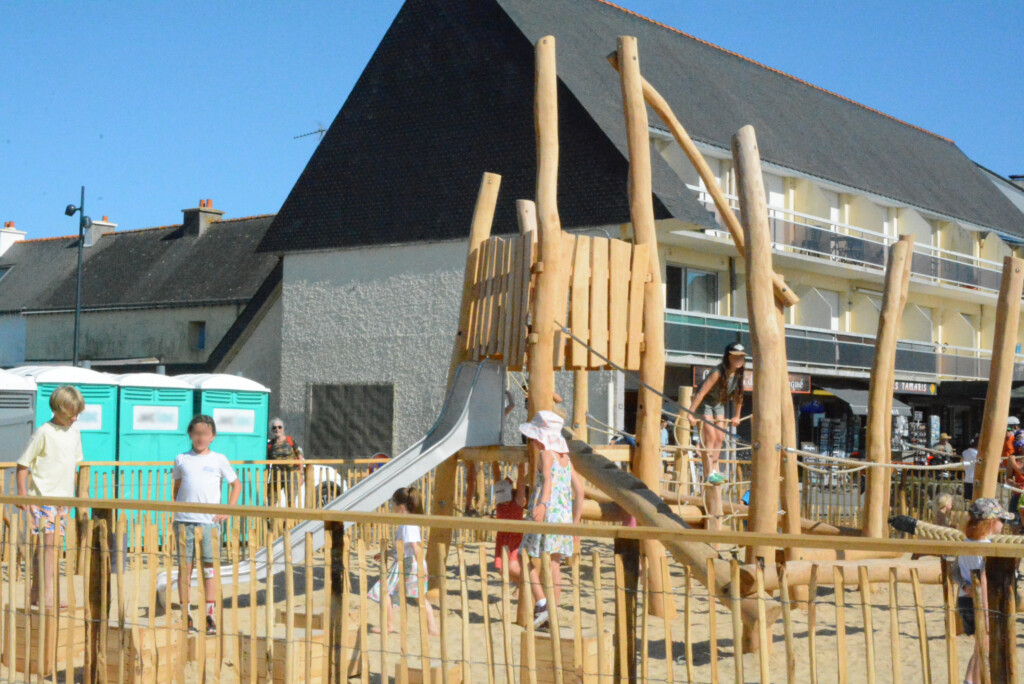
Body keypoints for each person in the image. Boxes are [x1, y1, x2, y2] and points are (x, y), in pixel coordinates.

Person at [16, 385, 85, 613]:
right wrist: (23, 494)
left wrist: (77, 495)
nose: (75, 418)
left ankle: (37, 594)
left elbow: (74, 464)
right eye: (71, 413)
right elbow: (23, 464)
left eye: (77, 413)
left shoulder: (74, 432)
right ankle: (48, 596)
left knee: (48, 548)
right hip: (43, 497)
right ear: (58, 409)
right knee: (49, 547)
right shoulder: (44, 431)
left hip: (63, 500)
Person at [173, 415, 242, 634]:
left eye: (205, 434)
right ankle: (186, 614)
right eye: (196, 433)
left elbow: (236, 485)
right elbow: (177, 486)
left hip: (209, 523)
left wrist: (227, 509)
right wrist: (176, 509)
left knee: (209, 569)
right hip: (184, 521)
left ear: (213, 436)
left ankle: (210, 615)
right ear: (190, 435)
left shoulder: (219, 459)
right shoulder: (181, 458)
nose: (200, 438)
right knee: (185, 568)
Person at [519, 410, 585, 629]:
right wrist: (575, 523)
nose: (533, 441)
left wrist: (542, 504)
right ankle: (553, 613)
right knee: (555, 565)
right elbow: (580, 491)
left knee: (523, 556)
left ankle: (542, 603)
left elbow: (547, 480)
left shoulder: (546, 454)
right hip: (564, 518)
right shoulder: (566, 459)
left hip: (545, 515)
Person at [955, 498, 1013, 684]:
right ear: (990, 522)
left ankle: (970, 680)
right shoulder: (986, 548)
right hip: (981, 602)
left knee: (980, 646)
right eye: (1001, 520)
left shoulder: (965, 543)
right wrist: (986, 612)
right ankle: (971, 681)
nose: (1003, 524)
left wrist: (964, 586)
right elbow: (984, 579)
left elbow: (954, 570)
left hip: (965, 599)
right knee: (984, 647)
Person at [368, 487, 439, 636]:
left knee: (383, 590)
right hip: (410, 562)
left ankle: (388, 625)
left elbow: (415, 547)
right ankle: (432, 628)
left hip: (407, 563)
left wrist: (422, 567)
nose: (391, 507)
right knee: (419, 596)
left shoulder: (407, 524)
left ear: (400, 507)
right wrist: (386, 553)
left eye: (393, 503)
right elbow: (405, 547)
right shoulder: (409, 522)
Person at [688, 342, 747, 485]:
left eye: (741, 357)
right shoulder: (717, 372)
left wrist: (737, 416)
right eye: (735, 357)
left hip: (718, 404)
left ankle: (715, 470)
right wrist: (690, 413)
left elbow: (739, 397)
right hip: (705, 403)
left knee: (720, 437)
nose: (739, 360)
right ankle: (709, 473)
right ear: (728, 357)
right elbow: (701, 393)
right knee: (710, 436)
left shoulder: (739, 375)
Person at [492, 461, 526, 588]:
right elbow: (497, 477)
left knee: (512, 567)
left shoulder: (517, 502)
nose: (504, 502)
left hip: (515, 537)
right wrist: (493, 460)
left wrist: (521, 465)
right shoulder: (500, 502)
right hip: (502, 538)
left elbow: (521, 483)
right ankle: (521, 586)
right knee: (501, 570)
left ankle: (530, 582)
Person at [266, 418, 304, 507]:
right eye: (274, 428)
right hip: (276, 474)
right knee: (272, 498)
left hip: (291, 474)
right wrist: (267, 478)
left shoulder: (290, 440)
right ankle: (272, 519)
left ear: (283, 428)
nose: (277, 429)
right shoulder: (271, 444)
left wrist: (301, 474)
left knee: (291, 500)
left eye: (279, 427)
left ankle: (290, 520)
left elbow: (300, 456)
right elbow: (267, 462)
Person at [961, 435, 979, 500]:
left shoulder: (965, 452)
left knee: (969, 501)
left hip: (967, 479)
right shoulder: (978, 454)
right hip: (977, 480)